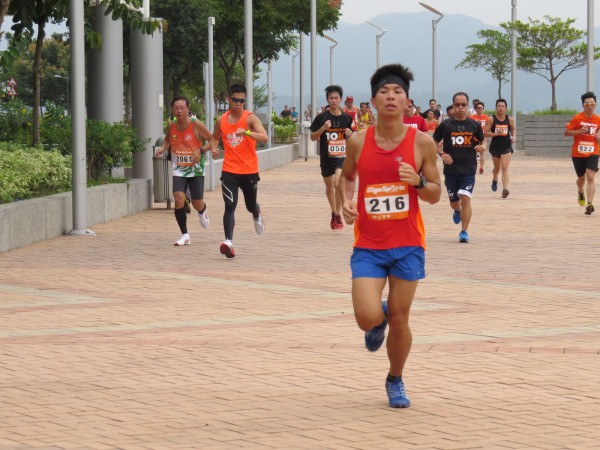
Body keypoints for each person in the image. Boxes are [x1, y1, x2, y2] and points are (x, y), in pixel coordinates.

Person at [339, 63, 441, 408]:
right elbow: (347, 177)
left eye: (398, 92)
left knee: (400, 319)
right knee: (366, 317)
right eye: (384, 92)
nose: (391, 97)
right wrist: (346, 201)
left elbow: (435, 194)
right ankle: (377, 318)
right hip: (368, 244)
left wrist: (419, 182)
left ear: (407, 101)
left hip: (408, 244)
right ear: (373, 101)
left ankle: (395, 378)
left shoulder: (422, 143)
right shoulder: (358, 141)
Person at [211, 84, 268, 258]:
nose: (238, 103)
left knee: (250, 205)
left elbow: (264, 137)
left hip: (249, 171)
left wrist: (248, 133)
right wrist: (213, 148)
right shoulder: (221, 120)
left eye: (242, 101)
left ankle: (256, 212)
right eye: (235, 100)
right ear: (228, 99)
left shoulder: (250, 118)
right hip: (229, 170)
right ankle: (228, 242)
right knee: (230, 205)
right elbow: (214, 137)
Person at [155, 96, 217, 246]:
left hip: (195, 169)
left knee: (196, 203)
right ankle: (185, 235)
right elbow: (168, 140)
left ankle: (202, 211)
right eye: (176, 108)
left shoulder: (196, 124)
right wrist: (162, 148)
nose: (179, 111)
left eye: (182, 108)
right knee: (179, 199)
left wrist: (201, 151)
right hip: (179, 169)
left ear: (188, 109)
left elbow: (213, 139)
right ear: (172, 109)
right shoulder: (171, 124)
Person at [433, 92, 486, 243]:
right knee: (454, 203)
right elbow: (434, 142)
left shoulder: (474, 125)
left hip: (469, 169)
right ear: (453, 106)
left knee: (466, 198)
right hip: (451, 170)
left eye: (463, 105)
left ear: (468, 106)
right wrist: (442, 153)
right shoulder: (446, 125)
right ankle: (457, 210)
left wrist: (482, 147)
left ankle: (464, 231)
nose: (460, 108)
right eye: (457, 105)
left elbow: (483, 141)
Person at [310, 85, 354, 230]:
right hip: (326, 157)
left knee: (338, 183)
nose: (333, 100)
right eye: (331, 98)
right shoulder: (321, 117)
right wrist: (323, 128)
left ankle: (338, 213)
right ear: (327, 100)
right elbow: (312, 137)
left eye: (336, 98)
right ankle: (334, 213)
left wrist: (350, 134)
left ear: (341, 99)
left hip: (341, 156)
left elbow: (353, 137)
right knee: (329, 187)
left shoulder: (347, 118)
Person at [564, 91, 600, 215]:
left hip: (593, 152)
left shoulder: (598, 119)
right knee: (581, 179)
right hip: (578, 153)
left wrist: (598, 138)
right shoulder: (577, 118)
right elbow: (566, 132)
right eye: (587, 104)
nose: (590, 106)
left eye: (592, 104)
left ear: (595, 105)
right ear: (583, 105)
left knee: (590, 176)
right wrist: (579, 131)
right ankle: (580, 191)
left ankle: (589, 204)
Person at [485, 98, 516, 198]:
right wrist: (496, 133)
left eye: (503, 106)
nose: (501, 108)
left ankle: (505, 189)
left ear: (506, 108)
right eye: (499, 106)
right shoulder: (491, 119)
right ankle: (495, 178)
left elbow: (513, 129)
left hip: (506, 146)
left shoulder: (510, 119)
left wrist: (514, 136)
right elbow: (485, 133)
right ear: (496, 107)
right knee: (497, 168)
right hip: (495, 147)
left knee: (505, 168)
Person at [470, 101, 489, 174]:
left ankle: (481, 167)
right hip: (474, 138)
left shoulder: (486, 117)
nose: (480, 109)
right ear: (475, 109)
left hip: (482, 138)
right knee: (474, 154)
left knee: (482, 153)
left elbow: (488, 127)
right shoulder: (472, 117)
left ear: (483, 109)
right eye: (478, 108)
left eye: (481, 108)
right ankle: (474, 167)